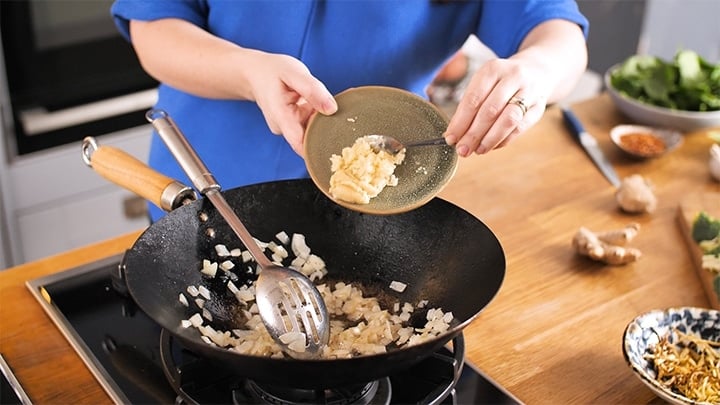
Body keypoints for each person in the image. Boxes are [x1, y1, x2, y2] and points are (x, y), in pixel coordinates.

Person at [111, 1, 589, 222]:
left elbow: (556, 30)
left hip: (373, 208)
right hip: (203, 178)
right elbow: (153, 26)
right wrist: (245, 71)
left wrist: (538, 71)